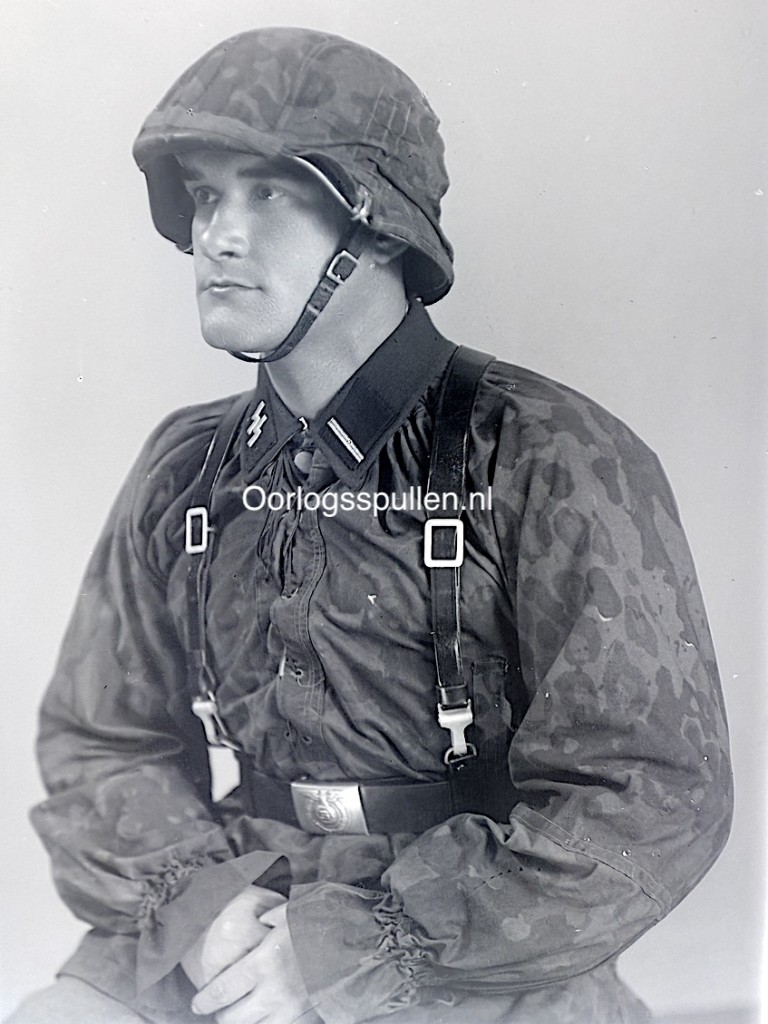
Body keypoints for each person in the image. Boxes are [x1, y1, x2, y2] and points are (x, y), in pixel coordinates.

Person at [9, 26, 732, 1024]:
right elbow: (98, 738)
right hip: (238, 897)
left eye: (269, 192)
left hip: (472, 938)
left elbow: (651, 794)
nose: (219, 233)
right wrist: (209, 914)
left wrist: (339, 955)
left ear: (379, 224)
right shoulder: (187, 469)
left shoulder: (548, 455)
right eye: (208, 195)